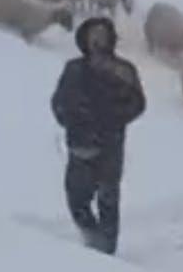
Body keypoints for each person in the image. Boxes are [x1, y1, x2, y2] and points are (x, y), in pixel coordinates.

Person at [51, 17, 146, 255]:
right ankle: (93, 240)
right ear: (83, 38)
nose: (97, 40)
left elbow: (137, 103)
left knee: (108, 198)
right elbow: (59, 102)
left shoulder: (124, 71)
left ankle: (106, 252)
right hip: (80, 144)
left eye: (102, 35)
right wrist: (71, 120)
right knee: (76, 199)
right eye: (93, 35)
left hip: (110, 145)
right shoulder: (74, 69)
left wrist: (112, 119)